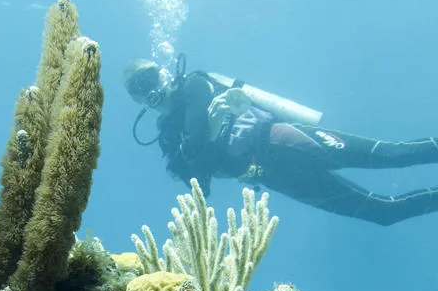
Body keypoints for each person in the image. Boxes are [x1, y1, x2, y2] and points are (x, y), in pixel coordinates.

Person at [124, 55, 438, 225]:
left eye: (149, 77)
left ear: (163, 74)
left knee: (391, 155)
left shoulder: (195, 85)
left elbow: (196, 149)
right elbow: (199, 186)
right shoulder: (167, 136)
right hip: (273, 176)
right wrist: (210, 132)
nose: (147, 88)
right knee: (382, 213)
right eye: (138, 88)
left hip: (286, 141)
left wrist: (205, 137)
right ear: (137, 100)